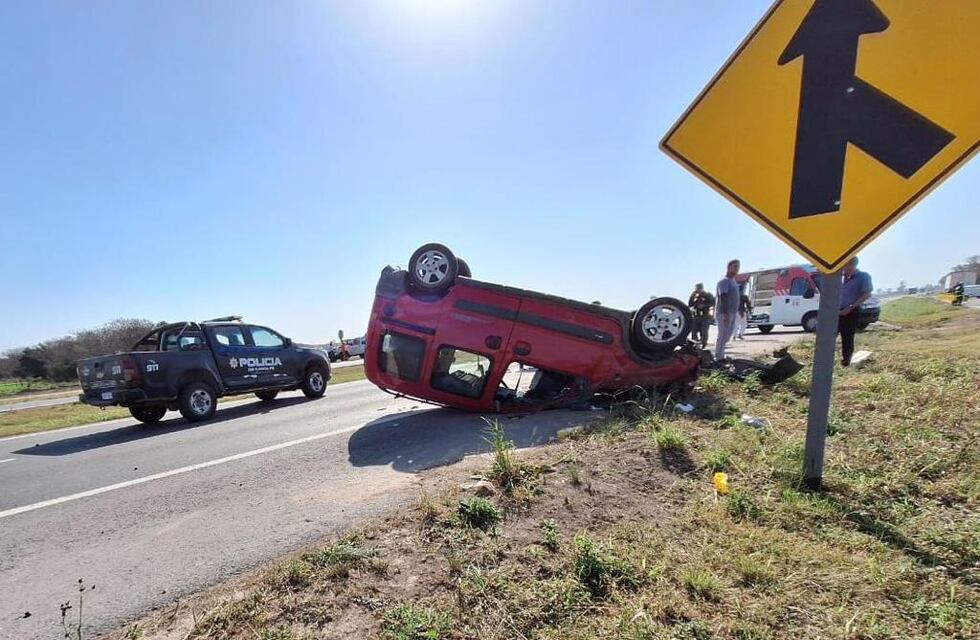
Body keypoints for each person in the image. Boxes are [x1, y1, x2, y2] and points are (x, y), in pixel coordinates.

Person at [838, 257, 873, 367]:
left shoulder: (863, 277)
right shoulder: (840, 278)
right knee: (828, 336)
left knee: (847, 338)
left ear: (852, 264)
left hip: (851, 312)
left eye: (845, 264)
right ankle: (824, 361)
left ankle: (846, 362)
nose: (842, 267)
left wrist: (850, 307)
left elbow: (866, 294)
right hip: (837, 312)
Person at [714, 259, 741, 361]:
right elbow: (723, 297)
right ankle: (718, 357)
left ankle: (721, 354)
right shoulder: (724, 281)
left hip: (733, 312)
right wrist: (725, 313)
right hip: (724, 312)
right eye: (734, 266)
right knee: (723, 335)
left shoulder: (733, 281)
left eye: (738, 267)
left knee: (728, 335)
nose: (737, 268)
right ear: (728, 267)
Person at [687, 283, 715, 349]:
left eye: (698, 288)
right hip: (696, 315)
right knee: (694, 331)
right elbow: (690, 304)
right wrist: (692, 296)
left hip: (705, 316)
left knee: (704, 332)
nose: (697, 290)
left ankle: (703, 344)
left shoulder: (708, 295)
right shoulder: (694, 295)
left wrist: (704, 305)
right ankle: (695, 344)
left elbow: (713, 303)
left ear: (702, 288)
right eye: (696, 289)